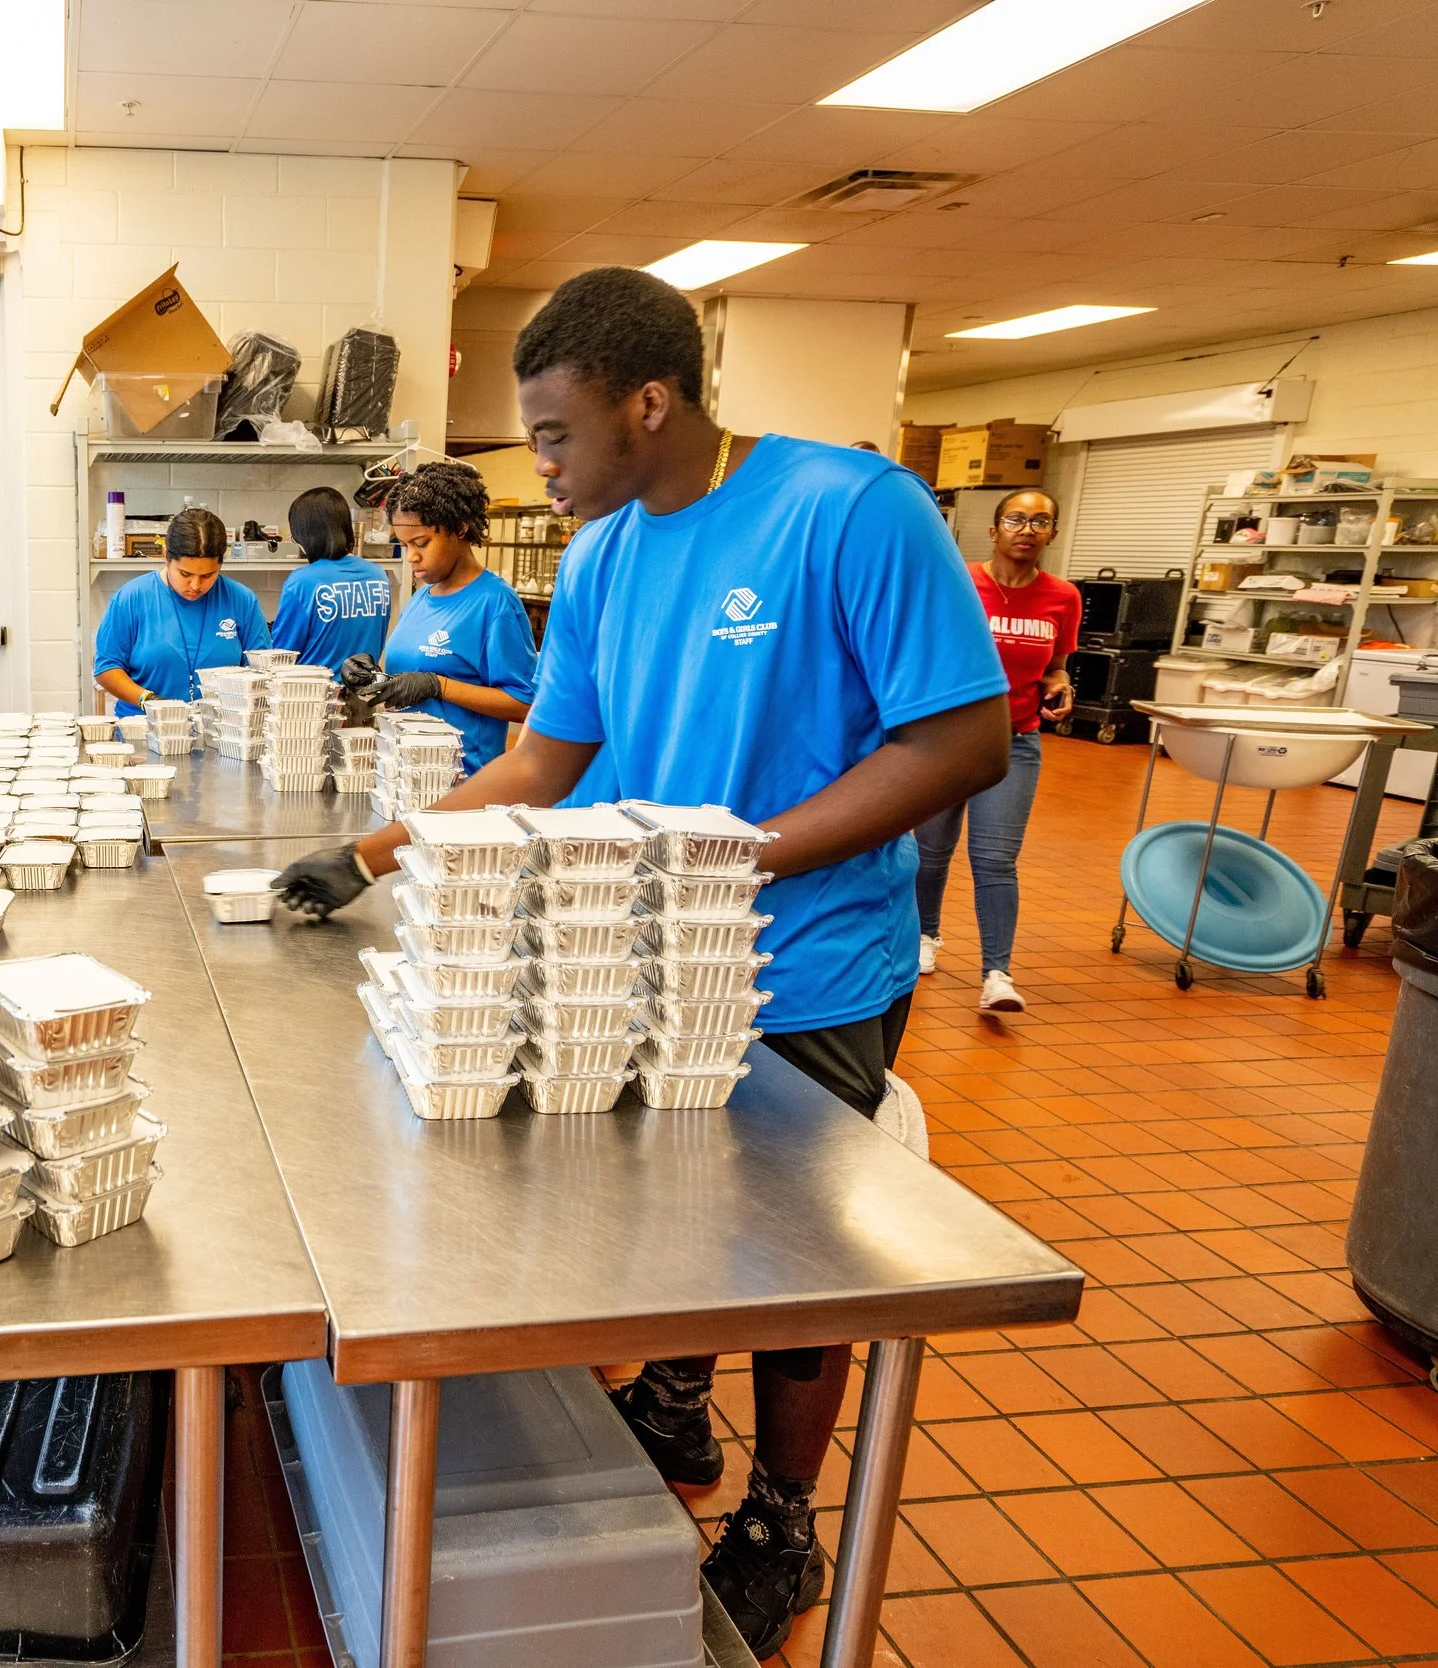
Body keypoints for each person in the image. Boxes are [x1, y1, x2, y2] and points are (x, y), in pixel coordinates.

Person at [268, 267, 1009, 1659]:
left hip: (809, 963)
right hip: (643, 949)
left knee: (795, 1269)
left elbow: (957, 743)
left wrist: (740, 859)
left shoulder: (848, 512)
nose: (535, 463)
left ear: (648, 403)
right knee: (665, 1198)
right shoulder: (609, 554)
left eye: (552, 433)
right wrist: (371, 853)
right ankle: (675, 1395)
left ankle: (783, 1516)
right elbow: (551, 759)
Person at [916, 488, 1077, 1013]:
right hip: (946, 741)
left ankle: (997, 974)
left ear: (1052, 532)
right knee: (930, 853)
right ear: (994, 530)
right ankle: (924, 936)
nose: (1027, 529)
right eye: (1016, 519)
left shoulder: (1063, 597)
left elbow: (1056, 665)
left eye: (1040, 521)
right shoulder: (959, 580)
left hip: (1017, 742)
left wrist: (1060, 686)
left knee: (995, 860)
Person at [340, 459, 537, 774]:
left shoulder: (495, 604)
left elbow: (526, 704)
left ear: (459, 528)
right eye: (404, 546)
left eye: (421, 543)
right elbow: (411, 679)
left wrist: (439, 686)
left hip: (463, 783)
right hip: (407, 777)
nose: (412, 557)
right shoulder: (421, 598)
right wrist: (371, 677)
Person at [93, 507, 271, 713]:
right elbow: (107, 668)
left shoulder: (241, 600)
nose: (195, 585)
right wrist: (149, 700)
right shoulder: (131, 599)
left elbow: (261, 670)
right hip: (144, 726)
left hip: (221, 731)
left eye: (207, 576)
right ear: (166, 556)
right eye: (185, 574)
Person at [269, 485, 390, 670]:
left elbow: (283, 654)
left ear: (307, 537)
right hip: (365, 692)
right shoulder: (379, 576)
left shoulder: (302, 581)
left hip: (311, 694)